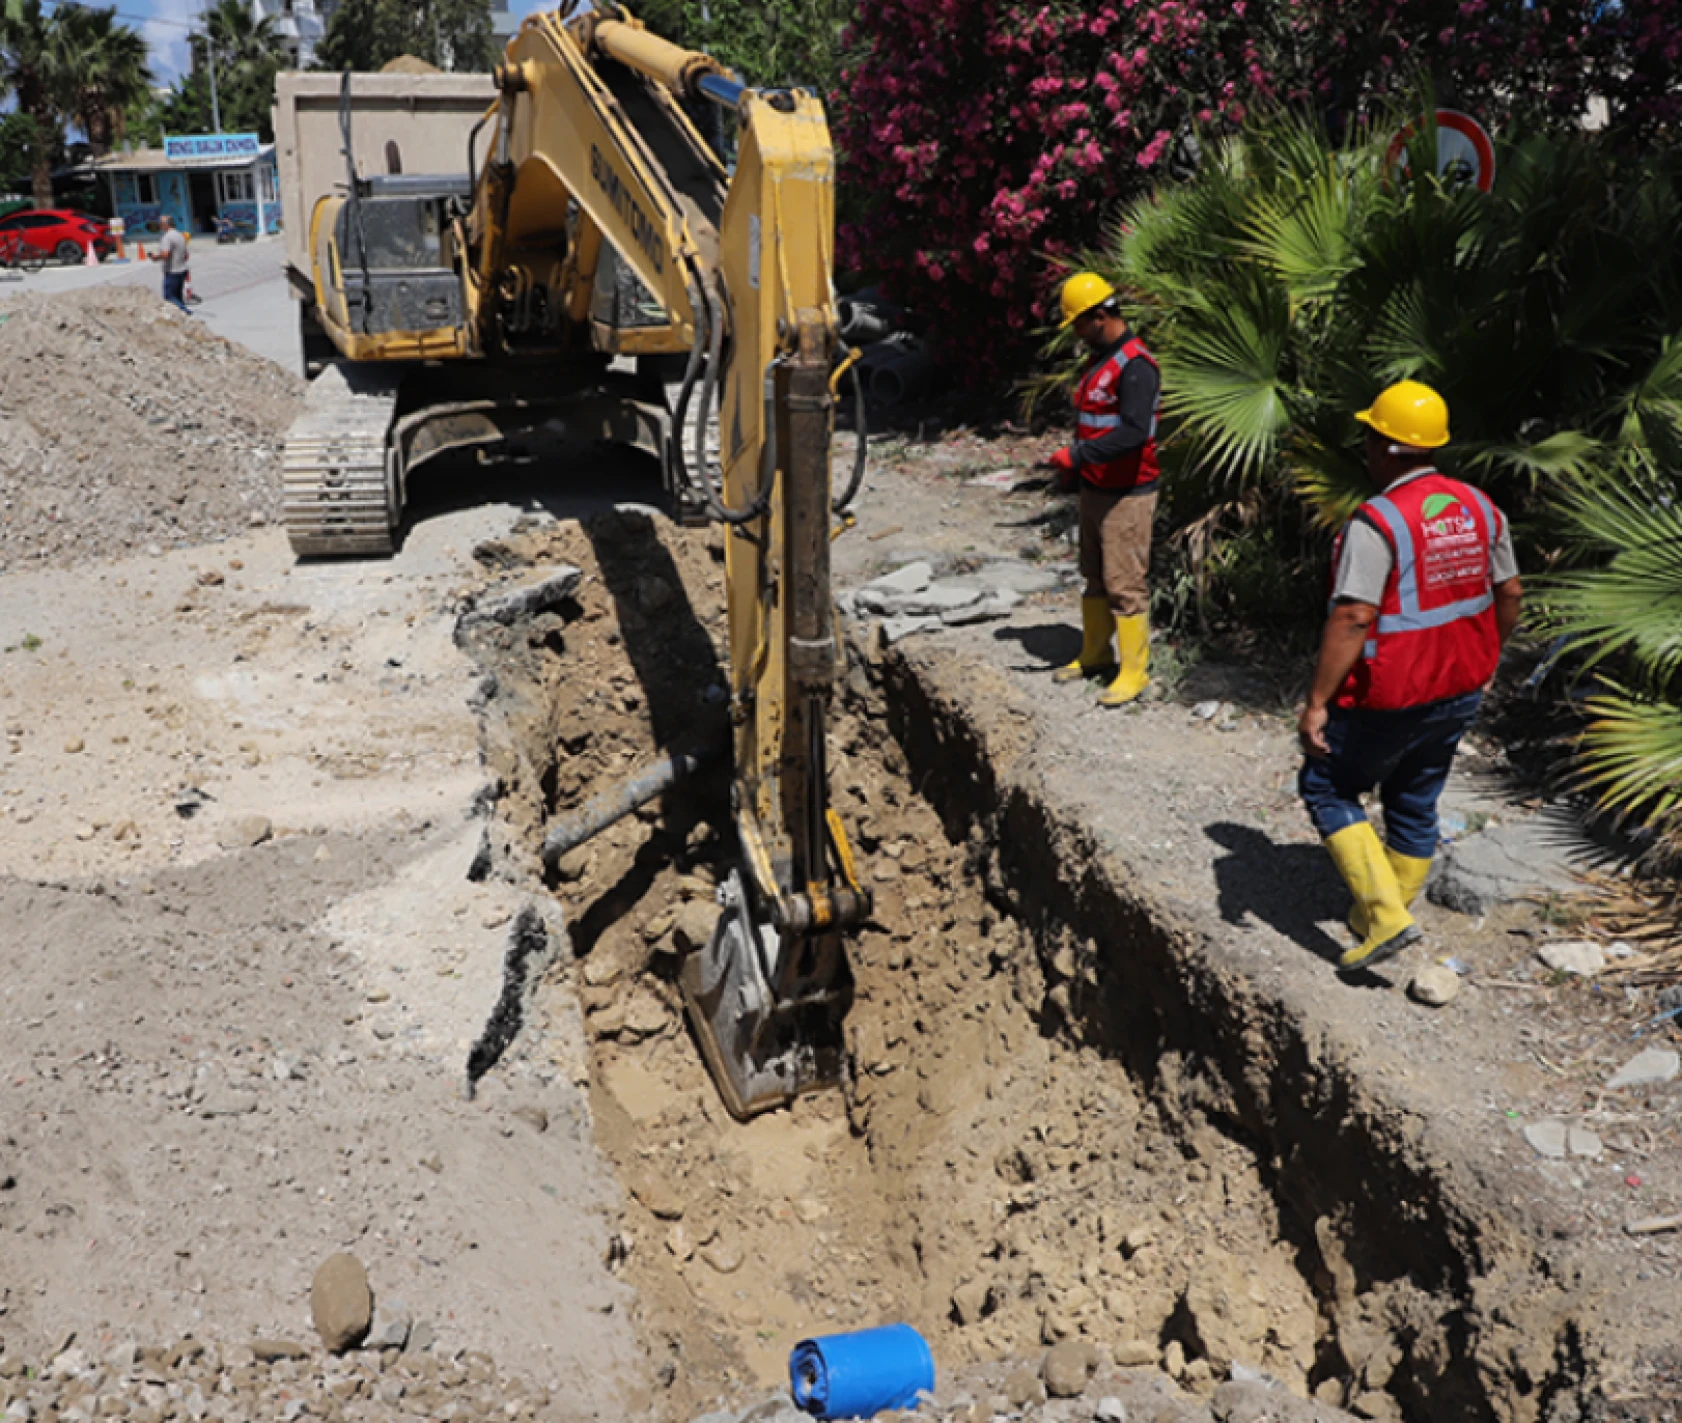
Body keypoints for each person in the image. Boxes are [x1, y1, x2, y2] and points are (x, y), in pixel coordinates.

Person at [1298, 380, 1523, 975]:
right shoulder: (1480, 507)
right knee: (1415, 796)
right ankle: (1388, 909)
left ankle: (1384, 918)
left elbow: (1354, 615)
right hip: (1460, 686)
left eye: (1370, 437)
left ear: (1387, 447)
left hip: (1390, 693)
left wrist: (1318, 702)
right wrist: (1488, 658)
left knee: (1326, 786)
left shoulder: (1378, 522)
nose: (1365, 448)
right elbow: (1510, 592)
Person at [1043, 271, 1161, 706]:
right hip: (1097, 487)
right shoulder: (1101, 360)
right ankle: (1094, 654)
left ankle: (1134, 671)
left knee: (1124, 582)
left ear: (1099, 317)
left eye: (1077, 322)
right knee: (1094, 575)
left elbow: (1133, 433)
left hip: (1128, 492)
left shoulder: (1136, 367)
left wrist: (1077, 456)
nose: (1075, 332)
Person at [151, 215, 191, 314]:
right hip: (182, 270)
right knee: (177, 296)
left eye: (161, 223)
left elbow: (165, 254)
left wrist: (155, 257)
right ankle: (182, 316)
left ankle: (186, 312)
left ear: (166, 225)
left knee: (169, 297)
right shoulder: (180, 235)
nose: (160, 225)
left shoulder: (167, 237)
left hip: (172, 272)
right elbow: (186, 254)